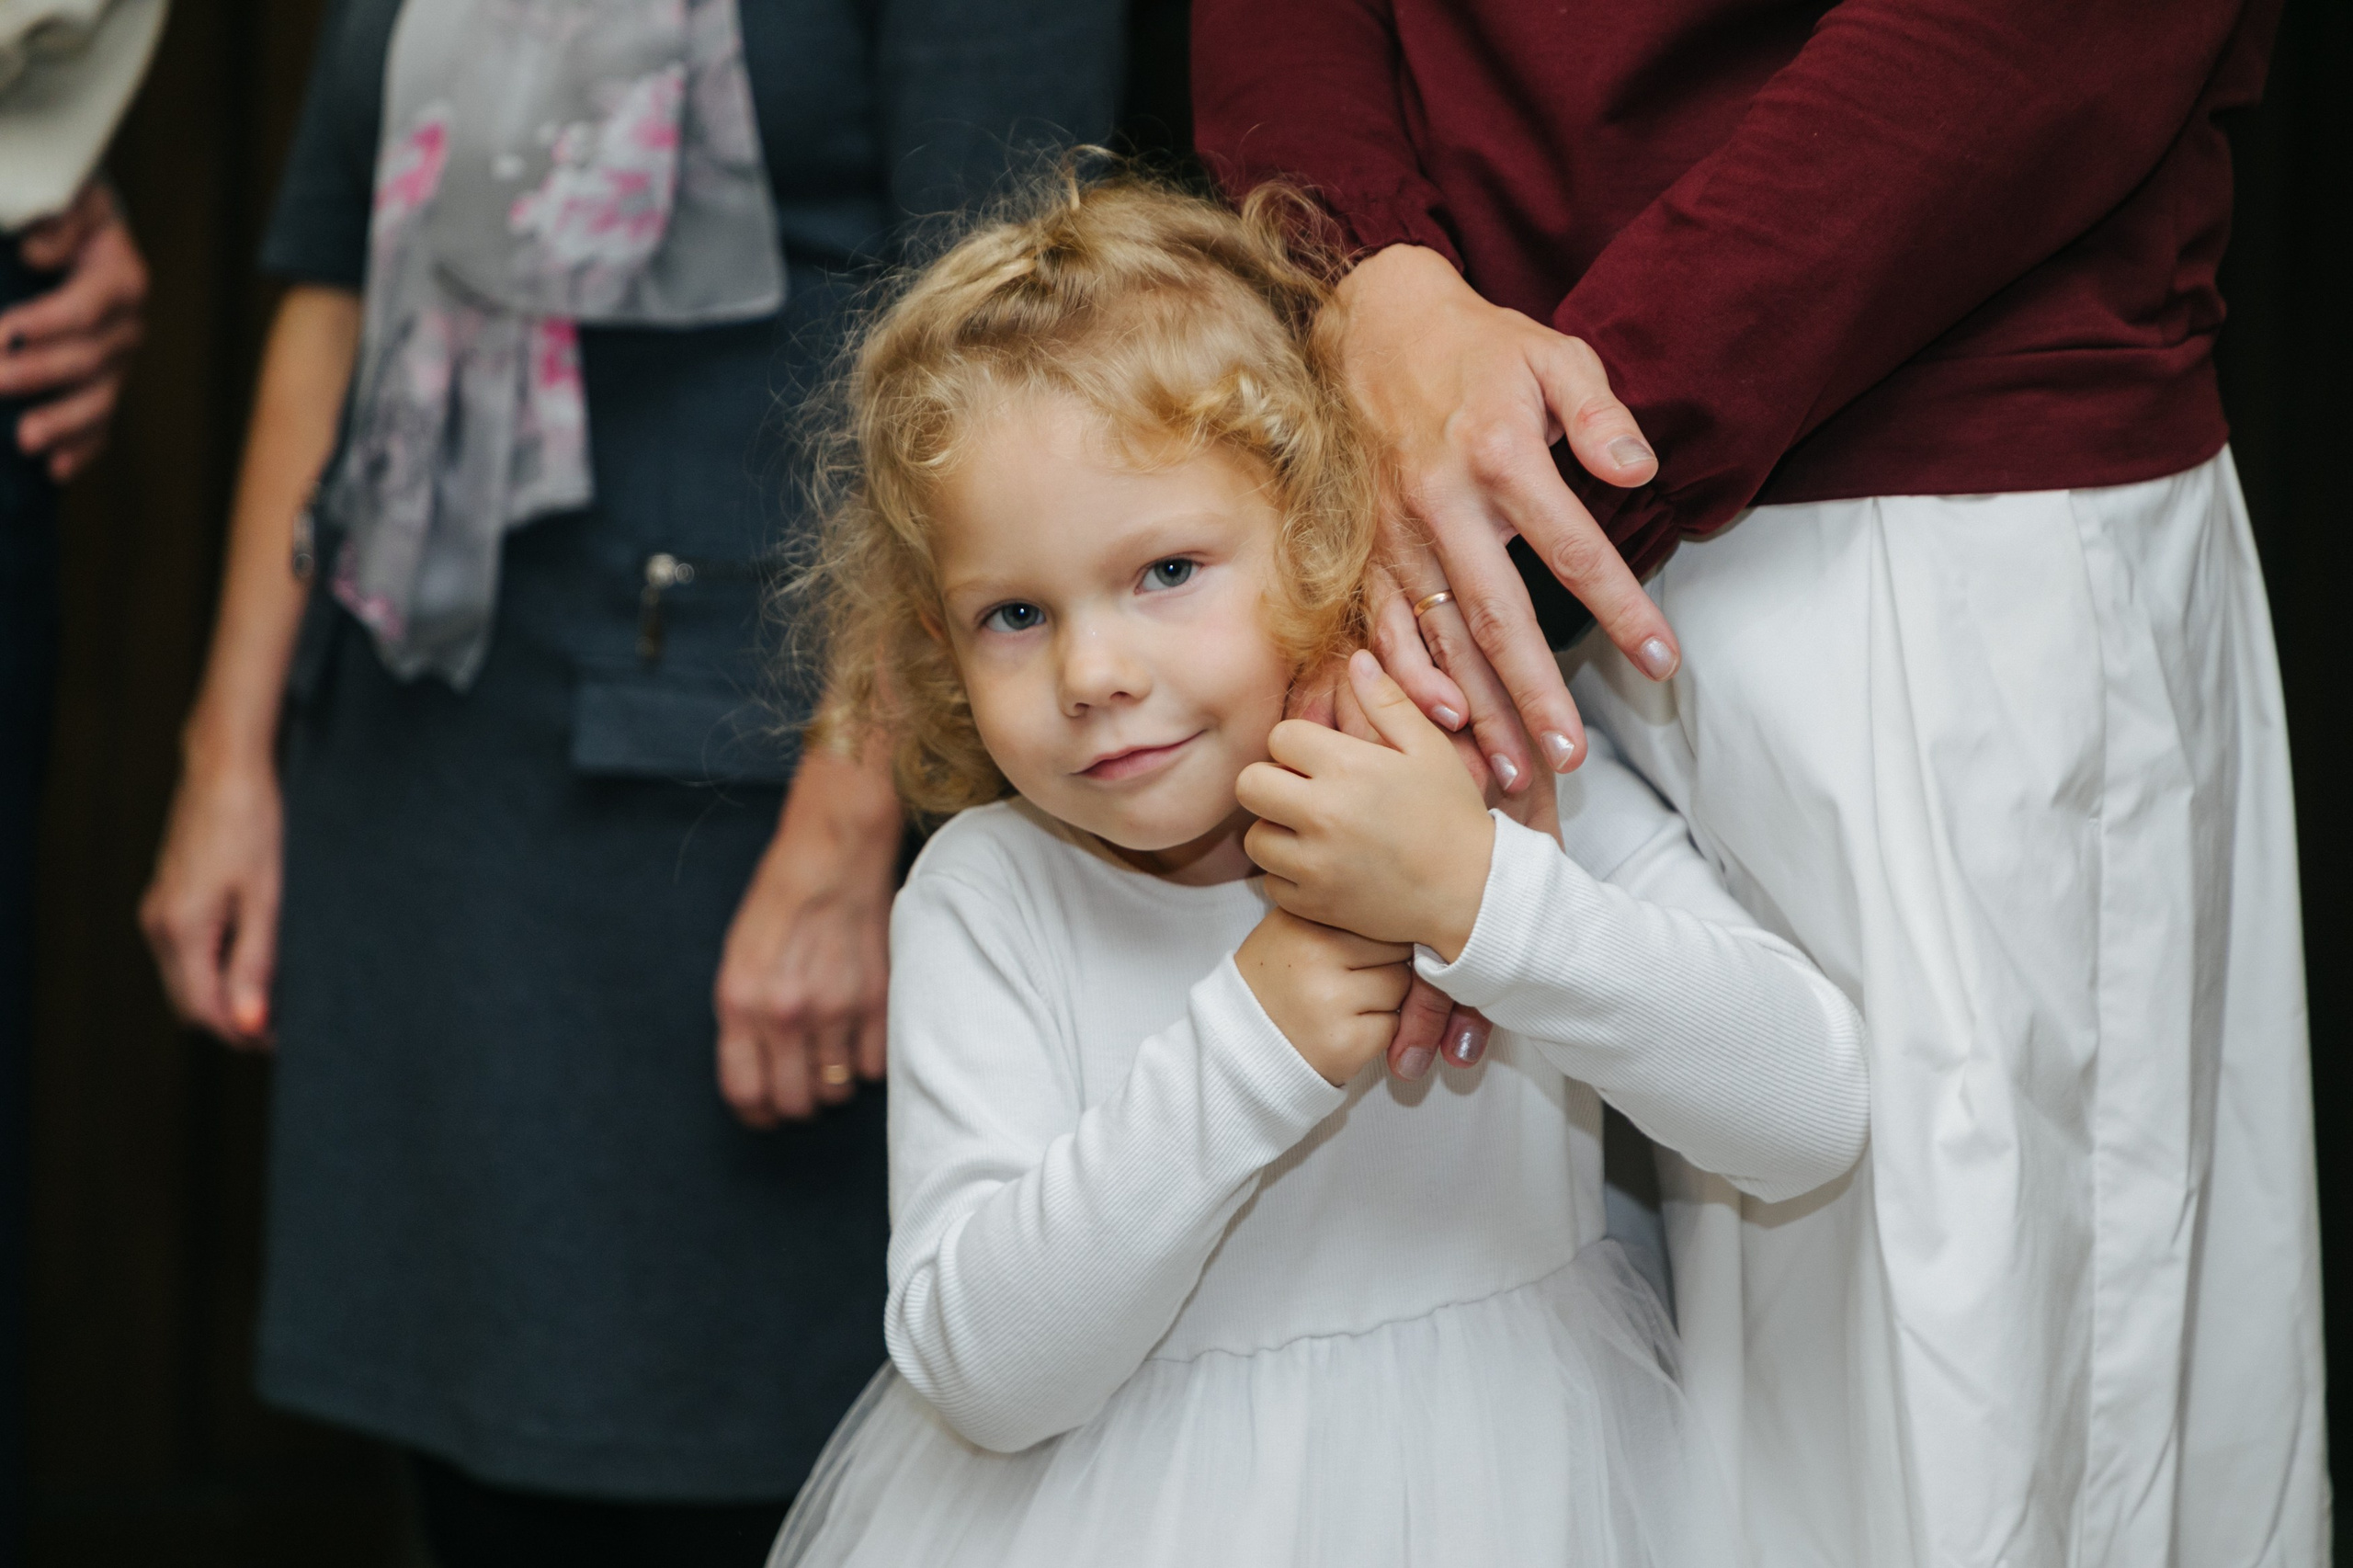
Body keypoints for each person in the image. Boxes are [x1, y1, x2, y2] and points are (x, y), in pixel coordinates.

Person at [1192, 2, 2323, 1563]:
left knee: (1951, 1478)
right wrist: (1364, 274)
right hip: (1418, 466)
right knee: (1459, 1416)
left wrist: (1521, 500)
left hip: (1914, 496)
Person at [762, 172, 1868, 1568]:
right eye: (1016, 613)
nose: (1094, 672)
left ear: (1326, 523)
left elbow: (1811, 1110)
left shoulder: (1502, 785)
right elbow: (981, 1370)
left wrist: (1483, 903)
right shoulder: (993, 897)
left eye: (1166, 569)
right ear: (936, 635)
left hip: (1529, 1501)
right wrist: (1253, 1041)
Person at [137, 1, 1118, 1562]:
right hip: (423, 741)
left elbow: (991, 336)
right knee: (461, 1450)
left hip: (731, 768)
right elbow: (334, 282)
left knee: (698, 1455)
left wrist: (845, 822)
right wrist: (228, 755)